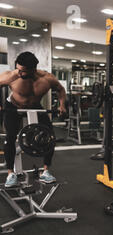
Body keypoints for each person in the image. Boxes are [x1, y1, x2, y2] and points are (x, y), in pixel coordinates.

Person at [0, 52, 66, 187]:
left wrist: (62, 105)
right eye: (18, 69)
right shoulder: (11, 76)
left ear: (33, 69)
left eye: (23, 71)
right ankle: (10, 174)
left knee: (49, 136)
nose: (19, 73)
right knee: (10, 138)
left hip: (35, 107)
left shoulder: (47, 79)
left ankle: (46, 172)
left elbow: (60, 89)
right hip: (13, 107)